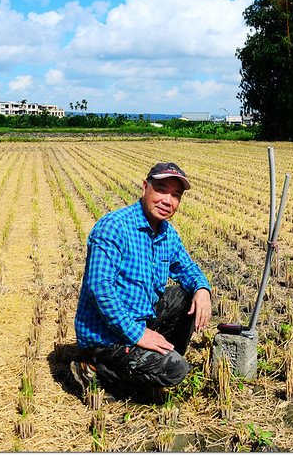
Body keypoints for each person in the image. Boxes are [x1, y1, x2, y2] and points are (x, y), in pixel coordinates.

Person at [71, 162, 212, 400]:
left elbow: (187, 268)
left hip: (140, 318)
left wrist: (202, 288)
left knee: (187, 295)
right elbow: (100, 288)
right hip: (106, 335)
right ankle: (96, 369)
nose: (168, 200)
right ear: (145, 187)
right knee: (175, 370)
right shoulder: (114, 226)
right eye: (162, 190)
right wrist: (138, 334)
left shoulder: (167, 233)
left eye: (175, 195)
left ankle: (151, 363)